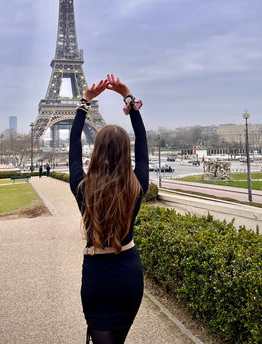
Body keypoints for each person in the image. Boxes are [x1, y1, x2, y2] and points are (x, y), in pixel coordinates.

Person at [69, 74, 149, 344]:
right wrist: (128, 97)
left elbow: (74, 144)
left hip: (97, 280)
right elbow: (142, 137)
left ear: (97, 152)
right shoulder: (137, 187)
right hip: (128, 275)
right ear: (127, 153)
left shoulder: (83, 188)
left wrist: (85, 102)